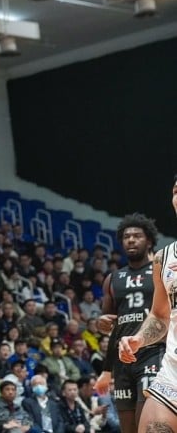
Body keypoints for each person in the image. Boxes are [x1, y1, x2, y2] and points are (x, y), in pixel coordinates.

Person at [118, 177, 177, 433]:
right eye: (176, 190)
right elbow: (160, 316)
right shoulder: (163, 259)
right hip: (173, 376)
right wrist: (139, 339)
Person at [93, 214, 161, 433]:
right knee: (128, 429)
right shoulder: (113, 279)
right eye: (126, 236)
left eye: (137, 236)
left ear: (149, 240)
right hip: (122, 362)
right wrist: (106, 370)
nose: (131, 240)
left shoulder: (160, 271)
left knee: (147, 425)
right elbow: (111, 325)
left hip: (154, 353)